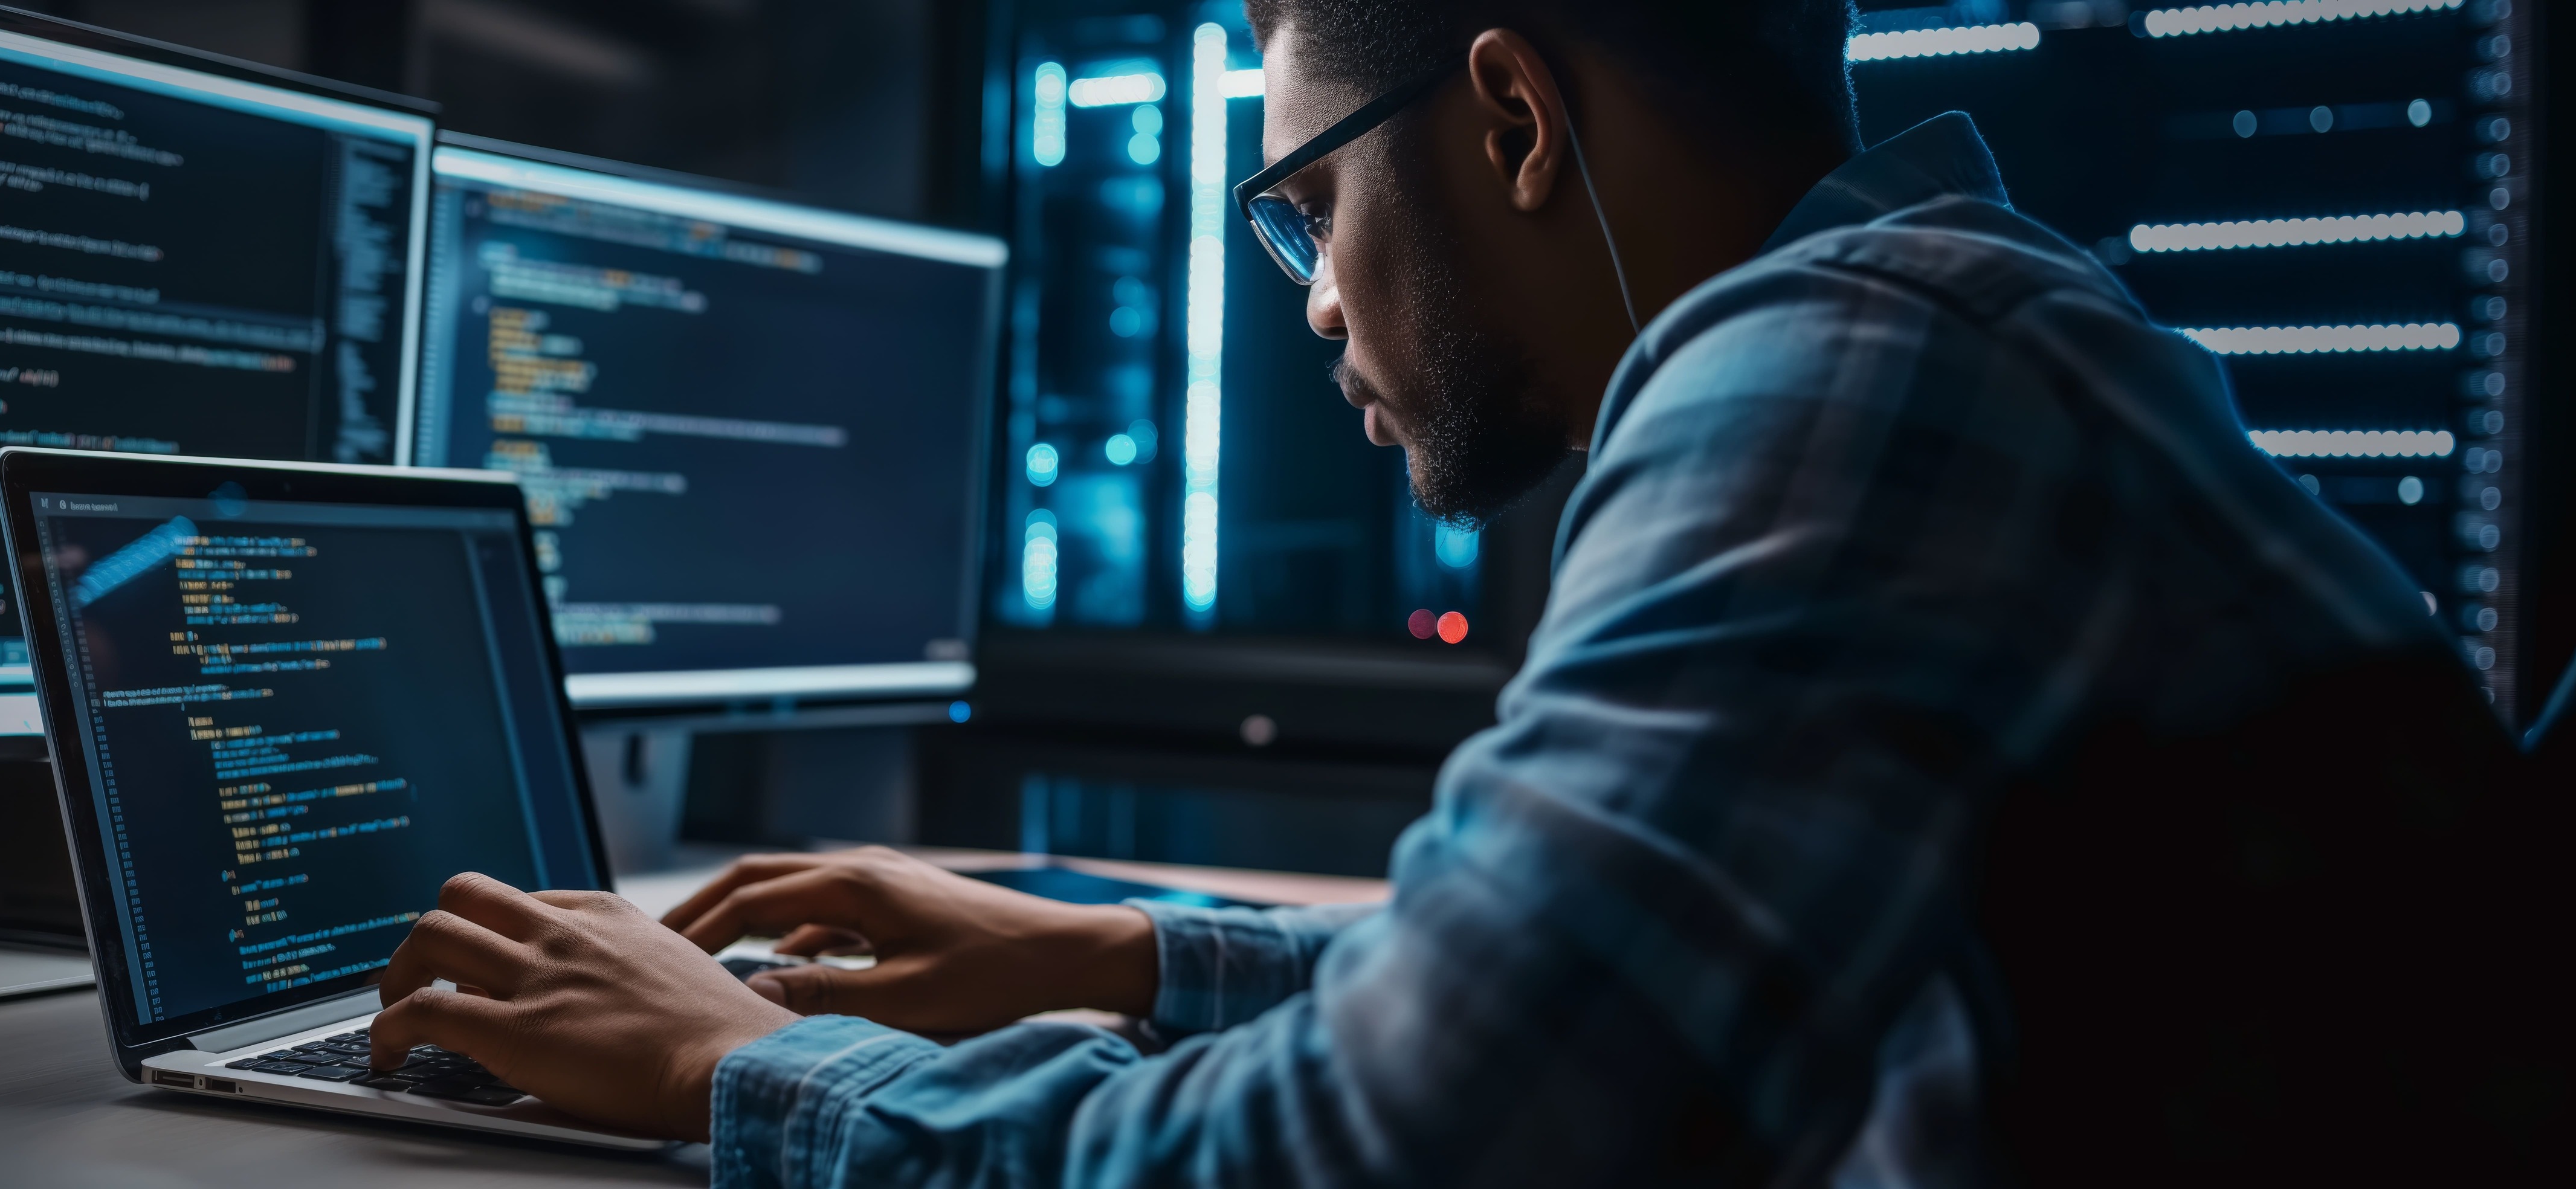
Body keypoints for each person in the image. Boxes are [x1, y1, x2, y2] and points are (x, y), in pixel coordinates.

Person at [364, 1, 2551, 1183]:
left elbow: (1388, 1157)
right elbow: (1590, 994)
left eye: (1308, 205)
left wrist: (739, 1072)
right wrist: (1125, 957)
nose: (1314, 305)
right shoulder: (1951, 325)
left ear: (1509, 118)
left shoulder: (1842, 373)